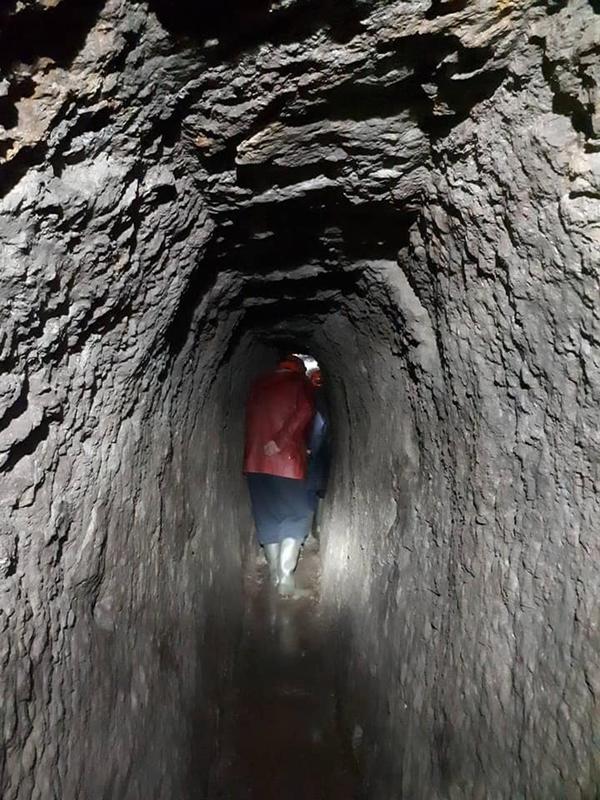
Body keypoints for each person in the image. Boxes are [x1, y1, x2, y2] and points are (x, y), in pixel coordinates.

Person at [244, 355, 315, 595]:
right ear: (299, 369)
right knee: (297, 515)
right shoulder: (299, 383)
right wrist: (281, 440)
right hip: (287, 464)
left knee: (268, 517)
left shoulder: (257, 384)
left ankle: (274, 575)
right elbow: (305, 411)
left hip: (255, 463)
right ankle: (285, 580)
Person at [305, 369, 330, 536]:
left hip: (316, 450)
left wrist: (310, 448)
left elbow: (318, 426)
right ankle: (317, 527)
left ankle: (308, 529)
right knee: (318, 488)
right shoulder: (325, 396)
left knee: (310, 488)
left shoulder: (313, 396)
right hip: (324, 449)